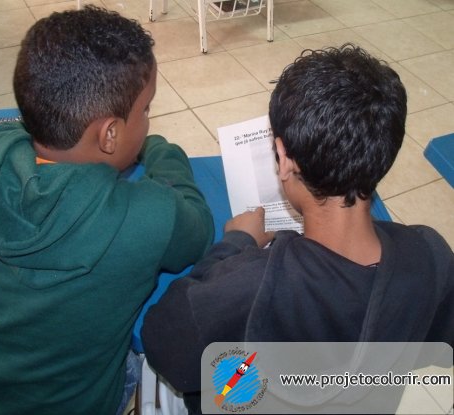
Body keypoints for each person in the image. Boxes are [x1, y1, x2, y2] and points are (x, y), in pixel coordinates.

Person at [141, 44, 454, 414]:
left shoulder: (249, 286)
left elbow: (162, 344)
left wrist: (235, 242)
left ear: (284, 159)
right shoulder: (431, 256)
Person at [0, 6, 214, 415]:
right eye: (146, 110)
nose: (148, 121)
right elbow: (197, 227)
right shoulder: (148, 216)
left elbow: (10, 136)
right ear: (109, 135)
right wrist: (162, 151)